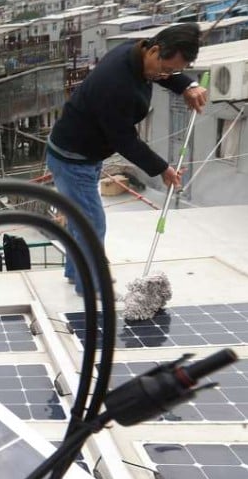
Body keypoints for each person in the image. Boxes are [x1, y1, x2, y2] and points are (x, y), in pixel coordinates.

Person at [46, 23, 208, 295]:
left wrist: (187, 85)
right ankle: (92, 288)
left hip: (84, 153)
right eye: (166, 69)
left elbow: (166, 74)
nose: (166, 75)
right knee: (91, 222)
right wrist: (162, 169)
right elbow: (125, 140)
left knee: (80, 218)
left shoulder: (136, 54)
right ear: (155, 50)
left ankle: (77, 273)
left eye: (173, 71)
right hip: (72, 159)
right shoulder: (116, 83)